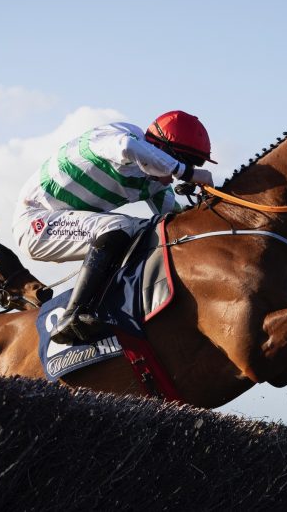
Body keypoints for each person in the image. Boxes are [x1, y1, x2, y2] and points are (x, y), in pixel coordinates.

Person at [12, 110, 216, 344]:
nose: (173, 178)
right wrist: (186, 171)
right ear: (161, 148)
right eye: (180, 161)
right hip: (35, 223)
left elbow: (178, 225)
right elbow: (128, 146)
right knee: (121, 226)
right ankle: (73, 315)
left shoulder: (153, 184)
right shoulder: (121, 135)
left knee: (153, 230)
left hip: (64, 222)